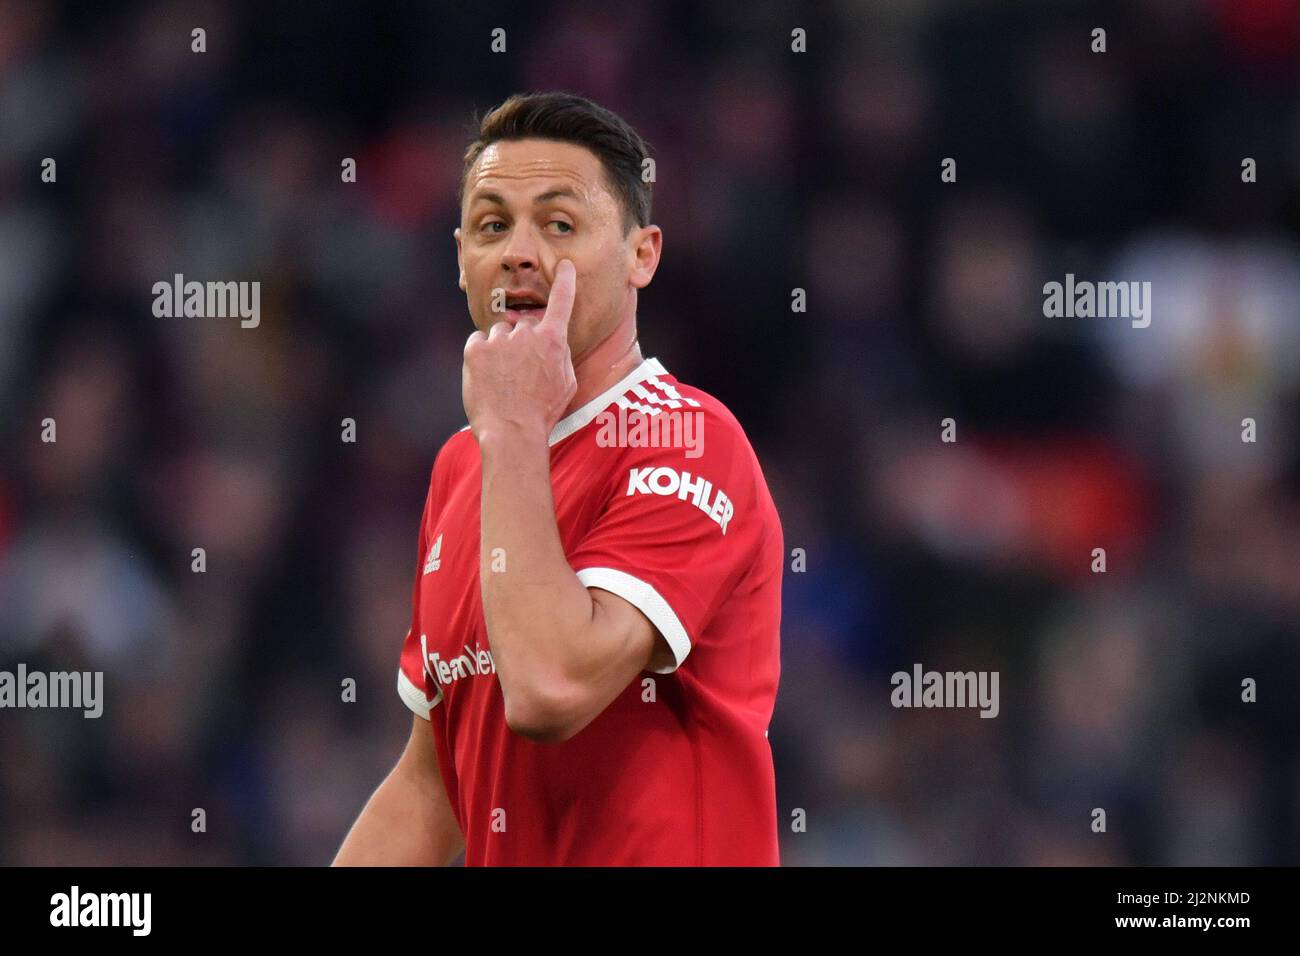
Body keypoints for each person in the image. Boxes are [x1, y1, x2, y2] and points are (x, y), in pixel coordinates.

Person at [333, 91, 783, 866]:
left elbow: (550, 689)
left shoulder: (687, 439)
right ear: (460, 257)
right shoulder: (461, 467)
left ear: (643, 254)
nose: (517, 251)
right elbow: (432, 782)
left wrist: (510, 429)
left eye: (560, 223)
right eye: (491, 225)